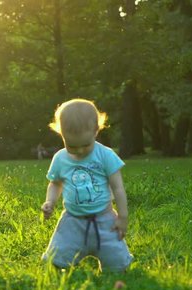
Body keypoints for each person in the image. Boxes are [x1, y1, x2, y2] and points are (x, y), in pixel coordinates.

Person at [41, 99, 133, 272]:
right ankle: (63, 263)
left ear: (96, 131)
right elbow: (55, 183)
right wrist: (50, 202)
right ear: (61, 134)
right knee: (57, 259)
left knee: (117, 264)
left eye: (85, 145)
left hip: (105, 220)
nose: (80, 151)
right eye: (72, 146)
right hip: (72, 221)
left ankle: (115, 266)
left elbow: (118, 188)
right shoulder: (60, 158)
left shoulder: (105, 155)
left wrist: (122, 217)